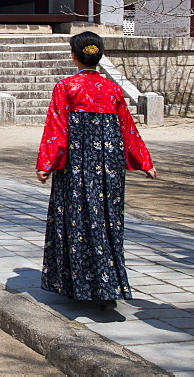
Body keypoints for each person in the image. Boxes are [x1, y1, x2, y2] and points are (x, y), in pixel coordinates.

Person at [36, 31, 157, 309]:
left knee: (76, 217)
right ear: (99, 56)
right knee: (107, 219)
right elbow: (128, 129)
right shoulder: (113, 90)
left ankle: (77, 283)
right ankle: (109, 283)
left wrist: (46, 164)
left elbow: (57, 129)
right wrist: (144, 162)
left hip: (77, 164)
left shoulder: (67, 87)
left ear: (74, 56)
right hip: (109, 166)